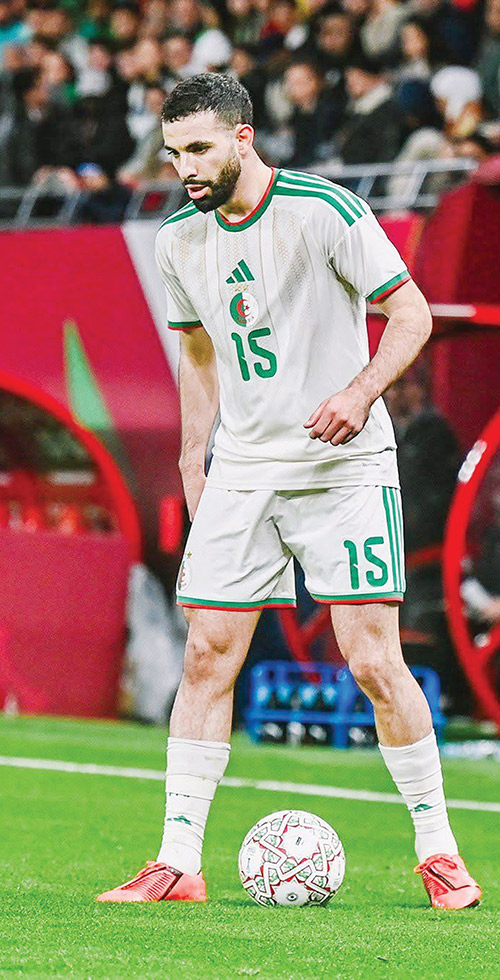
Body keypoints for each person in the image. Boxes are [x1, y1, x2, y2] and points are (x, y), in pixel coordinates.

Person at [97, 72, 481, 909]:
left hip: (344, 465)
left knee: (373, 661)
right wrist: (193, 457)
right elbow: (199, 350)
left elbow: (411, 315)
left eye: (200, 149)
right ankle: (177, 863)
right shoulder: (178, 239)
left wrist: (360, 393)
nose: (185, 168)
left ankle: (440, 852)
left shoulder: (325, 210)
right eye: (173, 153)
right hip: (244, 468)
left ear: (244, 137)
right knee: (206, 654)